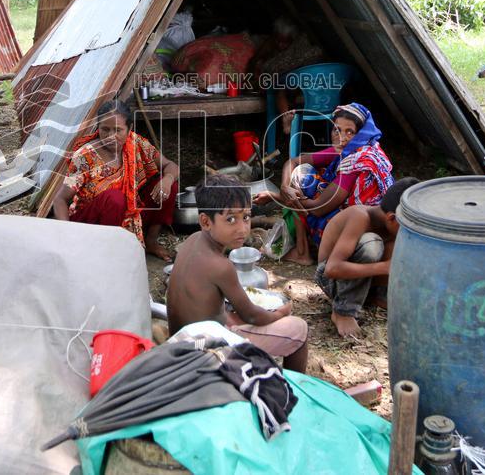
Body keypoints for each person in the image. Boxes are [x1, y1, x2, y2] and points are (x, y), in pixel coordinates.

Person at [167, 175, 309, 372]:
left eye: (247, 217)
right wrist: (280, 313)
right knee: (299, 328)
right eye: (231, 219)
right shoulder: (221, 266)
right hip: (206, 355)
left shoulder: (192, 240)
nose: (242, 228)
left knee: (231, 316)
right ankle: (291, 389)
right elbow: (253, 316)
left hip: (180, 342)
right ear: (206, 221)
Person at [255, 102, 395, 252]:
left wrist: (274, 197)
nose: (341, 137)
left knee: (301, 178)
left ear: (360, 133)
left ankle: (302, 252)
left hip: (356, 228)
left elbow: (318, 208)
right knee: (301, 171)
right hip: (359, 218)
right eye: (337, 130)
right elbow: (294, 161)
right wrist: (284, 187)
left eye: (350, 132)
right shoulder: (356, 147)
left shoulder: (356, 162)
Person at [53, 100, 180, 260]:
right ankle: (107, 253)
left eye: (118, 130)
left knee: (169, 185)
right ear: (97, 127)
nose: (111, 136)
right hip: (91, 224)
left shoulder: (136, 144)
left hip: (127, 216)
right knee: (115, 199)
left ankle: (151, 241)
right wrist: (68, 237)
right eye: (105, 129)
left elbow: (170, 165)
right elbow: (60, 200)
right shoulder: (86, 157)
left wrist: (167, 179)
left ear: (129, 129)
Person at [315, 178, 419, 338]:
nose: (410, 231)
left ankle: (376, 296)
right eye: (408, 225)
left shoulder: (390, 228)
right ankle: (343, 311)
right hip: (330, 278)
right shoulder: (360, 216)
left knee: (396, 246)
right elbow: (332, 269)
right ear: (392, 218)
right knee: (372, 243)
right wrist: (385, 267)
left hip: (363, 278)